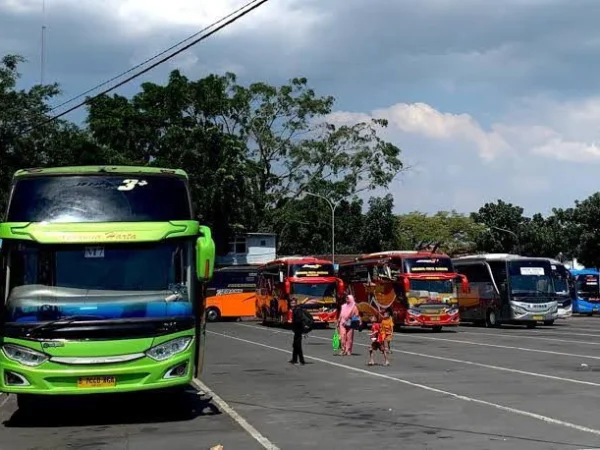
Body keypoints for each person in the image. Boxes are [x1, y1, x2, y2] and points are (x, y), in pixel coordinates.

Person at [288, 297, 305, 365]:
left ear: (296, 303)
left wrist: (294, 324)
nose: (292, 304)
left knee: (298, 346)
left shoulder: (297, 309)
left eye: (293, 303)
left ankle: (301, 361)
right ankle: (294, 359)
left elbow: (299, 320)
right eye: (291, 303)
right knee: (295, 345)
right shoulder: (294, 309)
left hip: (298, 330)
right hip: (296, 330)